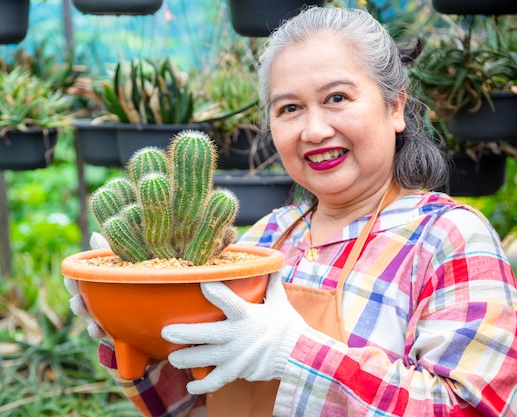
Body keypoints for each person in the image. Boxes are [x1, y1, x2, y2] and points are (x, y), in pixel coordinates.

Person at [67, 6, 517, 416]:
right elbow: (192, 403)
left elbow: (471, 408)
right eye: (290, 108)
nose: (315, 129)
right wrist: (130, 329)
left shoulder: (449, 238)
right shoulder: (264, 239)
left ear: (395, 105)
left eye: (337, 98)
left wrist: (297, 354)